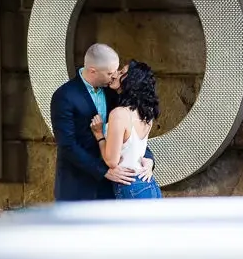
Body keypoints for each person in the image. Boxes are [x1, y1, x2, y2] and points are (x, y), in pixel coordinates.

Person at [50, 43, 155, 202]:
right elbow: (67, 144)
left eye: (116, 71)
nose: (114, 77)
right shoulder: (64, 96)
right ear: (93, 71)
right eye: (110, 73)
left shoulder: (115, 91)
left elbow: (129, 132)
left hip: (112, 188)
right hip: (77, 187)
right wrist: (103, 171)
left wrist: (149, 159)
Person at [90, 60, 163, 199]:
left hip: (131, 187)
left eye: (122, 72)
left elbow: (112, 161)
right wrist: (149, 161)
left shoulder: (119, 114)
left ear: (131, 81)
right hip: (148, 185)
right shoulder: (146, 113)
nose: (116, 73)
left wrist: (99, 134)